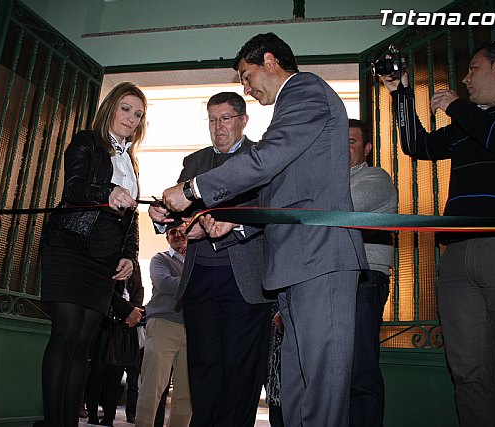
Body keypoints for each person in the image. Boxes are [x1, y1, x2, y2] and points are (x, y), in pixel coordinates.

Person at [161, 33, 368, 427]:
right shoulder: (294, 107)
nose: (246, 87)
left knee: (321, 382)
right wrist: (236, 218)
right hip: (296, 262)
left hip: (319, 257)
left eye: (245, 74)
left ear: (270, 61)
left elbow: (266, 159)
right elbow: (283, 191)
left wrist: (193, 189)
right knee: (298, 381)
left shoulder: (306, 90)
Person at [382, 39, 495, 426]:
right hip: (457, 255)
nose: (465, 80)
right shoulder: (471, 120)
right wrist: (398, 92)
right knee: (468, 374)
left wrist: (457, 108)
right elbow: (417, 146)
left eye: (474, 69)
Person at [150, 91, 274, 427]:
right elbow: (181, 212)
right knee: (203, 366)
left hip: (245, 279)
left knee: (240, 368)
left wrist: (234, 225)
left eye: (225, 118)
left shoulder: (262, 157)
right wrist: (162, 216)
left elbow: (271, 210)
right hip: (200, 278)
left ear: (243, 120)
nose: (218, 127)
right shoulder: (194, 162)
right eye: (212, 119)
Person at [38, 82, 146, 427]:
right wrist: (109, 190)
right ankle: (55, 421)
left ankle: (68, 422)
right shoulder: (87, 141)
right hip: (70, 245)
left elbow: (132, 216)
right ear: (111, 108)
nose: (132, 118)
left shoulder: (132, 161)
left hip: (103, 258)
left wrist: (130, 254)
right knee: (66, 335)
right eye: (126, 108)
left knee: (83, 344)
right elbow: (74, 188)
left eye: (138, 114)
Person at [347, 119, 397, 426]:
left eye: (351, 142)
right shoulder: (328, 180)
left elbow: (339, 211)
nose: (342, 148)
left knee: (360, 371)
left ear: (366, 149)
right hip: (335, 279)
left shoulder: (375, 177)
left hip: (364, 280)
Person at [135, 226, 191, 427]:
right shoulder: (160, 259)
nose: (178, 235)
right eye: (172, 232)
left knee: (186, 392)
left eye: (181, 230)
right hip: (163, 326)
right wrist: (199, 282)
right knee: (152, 386)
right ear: (167, 238)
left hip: (193, 330)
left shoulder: (197, 260)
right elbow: (165, 284)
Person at [85, 270, 143, 427]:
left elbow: (138, 291)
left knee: (116, 375)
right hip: (105, 324)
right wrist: (127, 310)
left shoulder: (134, 267)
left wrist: (134, 311)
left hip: (125, 328)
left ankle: (109, 418)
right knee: (97, 373)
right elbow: (105, 290)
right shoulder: (111, 260)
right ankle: (92, 415)